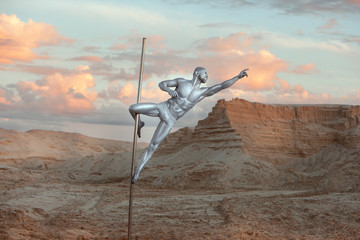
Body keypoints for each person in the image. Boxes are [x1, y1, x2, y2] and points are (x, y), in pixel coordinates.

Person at [129, 67, 249, 183]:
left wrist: (237, 77)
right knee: (133, 108)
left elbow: (221, 86)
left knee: (153, 146)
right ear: (197, 73)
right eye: (205, 73)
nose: (207, 75)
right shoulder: (181, 82)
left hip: (170, 119)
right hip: (162, 107)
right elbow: (162, 83)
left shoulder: (203, 92)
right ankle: (139, 123)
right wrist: (169, 90)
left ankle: (138, 171)